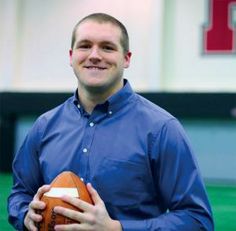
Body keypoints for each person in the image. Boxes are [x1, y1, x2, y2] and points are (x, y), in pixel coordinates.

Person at [8, 13, 214, 231]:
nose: (94, 55)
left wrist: (117, 228)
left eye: (107, 47)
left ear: (126, 58)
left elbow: (197, 220)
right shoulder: (44, 126)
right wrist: (25, 216)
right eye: (85, 46)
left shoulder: (161, 129)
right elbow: (20, 194)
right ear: (71, 56)